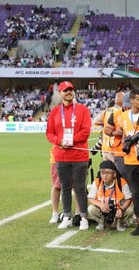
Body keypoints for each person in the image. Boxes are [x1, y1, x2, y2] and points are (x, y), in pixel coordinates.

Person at [105, 89, 139, 237]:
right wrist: (117, 135)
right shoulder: (122, 116)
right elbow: (112, 130)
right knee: (135, 194)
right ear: (131, 101)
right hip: (129, 160)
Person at [45, 81, 92, 230]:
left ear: (74, 92)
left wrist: (71, 140)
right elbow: (49, 133)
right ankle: (66, 216)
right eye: (65, 90)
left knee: (80, 188)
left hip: (79, 155)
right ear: (60, 93)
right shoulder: (54, 112)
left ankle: (83, 217)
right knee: (65, 188)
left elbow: (86, 131)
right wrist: (60, 141)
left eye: (71, 90)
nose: (68, 92)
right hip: (61, 156)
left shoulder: (83, 109)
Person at [87, 160, 133, 231]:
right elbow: (90, 198)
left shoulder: (121, 182)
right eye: (102, 173)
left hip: (118, 210)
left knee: (130, 210)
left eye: (107, 173)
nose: (104, 176)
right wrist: (100, 205)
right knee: (91, 209)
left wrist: (121, 209)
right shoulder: (97, 181)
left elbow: (129, 199)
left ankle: (118, 221)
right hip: (103, 210)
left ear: (114, 174)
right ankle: (105, 222)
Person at [92, 91, 124, 162]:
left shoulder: (107, 111)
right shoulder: (123, 112)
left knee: (106, 172)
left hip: (105, 148)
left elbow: (95, 121)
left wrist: (105, 123)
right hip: (116, 148)